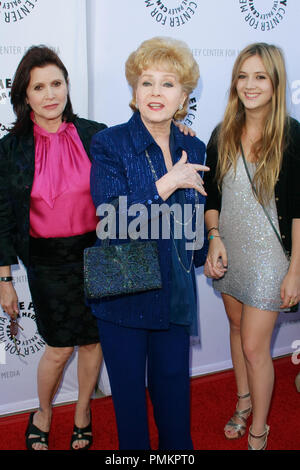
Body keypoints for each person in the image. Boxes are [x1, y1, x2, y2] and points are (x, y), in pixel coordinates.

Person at [89, 36, 209, 450]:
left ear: (184, 96)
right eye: (146, 82)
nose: (156, 92)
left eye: (168, 83)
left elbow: (191, 218)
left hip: (174, 291)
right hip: (124, 289)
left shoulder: (193, 144)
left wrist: (210, 246)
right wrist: (167, 182)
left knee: (175, 395)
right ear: (134, 91)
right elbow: (112, 220)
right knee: (129, 406)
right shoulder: (109, 144)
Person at [0, 46, 106, 450]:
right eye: (38, 87)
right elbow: (2, 219)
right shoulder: (9, 151)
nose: (50, 94)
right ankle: (42, 411)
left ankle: (82, 410)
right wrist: (4, 278)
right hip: (46, 265)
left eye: (56, 83)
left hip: (97, 256)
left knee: (93, 341)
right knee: (59, 348)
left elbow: (140, 149)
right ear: (24, 96)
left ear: (67, 86)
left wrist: (175, 127)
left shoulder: (96, 135)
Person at [203, 42, 300, 450]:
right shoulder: (222, 132)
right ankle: (243, 401)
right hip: (230, 252)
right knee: (237, 328)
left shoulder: (293, 136)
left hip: (272, 259)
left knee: (253, 346)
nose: (249, 84)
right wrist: (214, 239)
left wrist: (296, 269)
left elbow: (298, 211)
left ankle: (260, 425)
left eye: (260, 76)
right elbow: (212, 199)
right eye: (242, 76)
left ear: (276, 83)